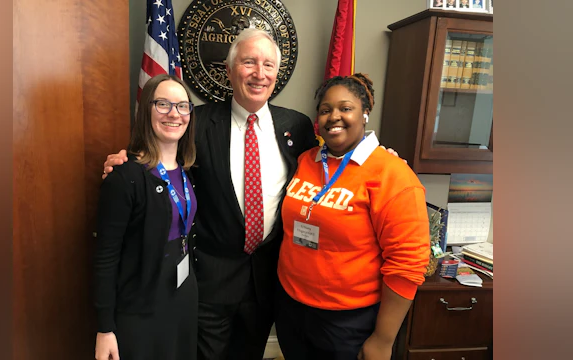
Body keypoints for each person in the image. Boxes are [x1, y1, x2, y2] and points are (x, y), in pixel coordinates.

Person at [102, 29, 403, 360]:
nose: (259, 73)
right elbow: (162, 155)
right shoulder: (196, 121)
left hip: (267, 284)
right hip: (208, 284)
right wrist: (125, 160)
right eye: (249, 62)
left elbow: (331, 161)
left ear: (277, 74)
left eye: (268, 65)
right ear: (230, 72)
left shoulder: (298, 126)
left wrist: (380, 155)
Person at [274, 73, 430, 360]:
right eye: (325, 110)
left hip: (348, 322)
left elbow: (407, 264)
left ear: (365, 114)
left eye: (345, 108)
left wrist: (383, 339)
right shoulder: (306, 160)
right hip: (292, 309)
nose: (334, 117)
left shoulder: (392, 174)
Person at [94, 74, 198, 360]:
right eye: (162, 104)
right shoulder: (124, 177)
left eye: (182, 106)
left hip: (183, 298)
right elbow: (106, 256)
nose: (174, 114)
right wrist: (105, 329)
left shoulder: (187, 170)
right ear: (145, 111)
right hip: (141, 307)